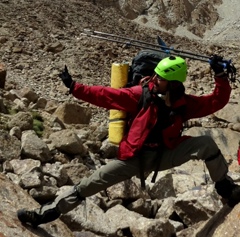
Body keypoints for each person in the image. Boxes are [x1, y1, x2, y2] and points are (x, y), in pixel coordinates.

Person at [17, 55, 240, 227]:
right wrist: (75, 87)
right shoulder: (140, 94)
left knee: (207, 145)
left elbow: (215, 102)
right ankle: (43, 214)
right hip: (135, 157)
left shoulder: (183, 103)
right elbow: (106, 95)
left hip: (165, 154)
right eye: (156, 75)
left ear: (172, 82)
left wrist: (220, 78)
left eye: (161, 78)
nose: (156, 79)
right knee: (89, 185)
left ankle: (227, 189)